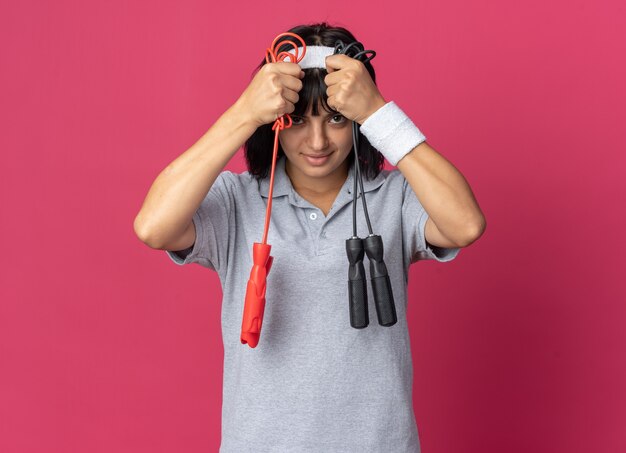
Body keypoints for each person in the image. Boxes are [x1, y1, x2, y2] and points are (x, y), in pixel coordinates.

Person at [134, 22, 486, 453]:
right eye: (298, 120)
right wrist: (243, 113)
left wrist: (379, 113)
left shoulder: (395, 196)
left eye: (336, 119)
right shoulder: (237, 200)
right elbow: (153, 227)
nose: (317, 141)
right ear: (276, 122)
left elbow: (465, 225)